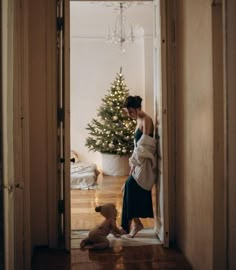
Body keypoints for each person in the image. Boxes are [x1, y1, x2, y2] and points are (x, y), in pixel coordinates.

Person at [120, 95, 157, 238]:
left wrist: (134, 164)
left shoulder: (146, 120)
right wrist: (131, 168)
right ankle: (128, 225)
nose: (129, 115)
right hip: (137, 161)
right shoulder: (138, 120)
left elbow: (144, 146)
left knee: (129, 186)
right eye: (127, 112)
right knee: (126, 188)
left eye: (130, 112)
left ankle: (133, 225)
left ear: (137, 108)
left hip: (144, 162)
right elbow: (137, 146)